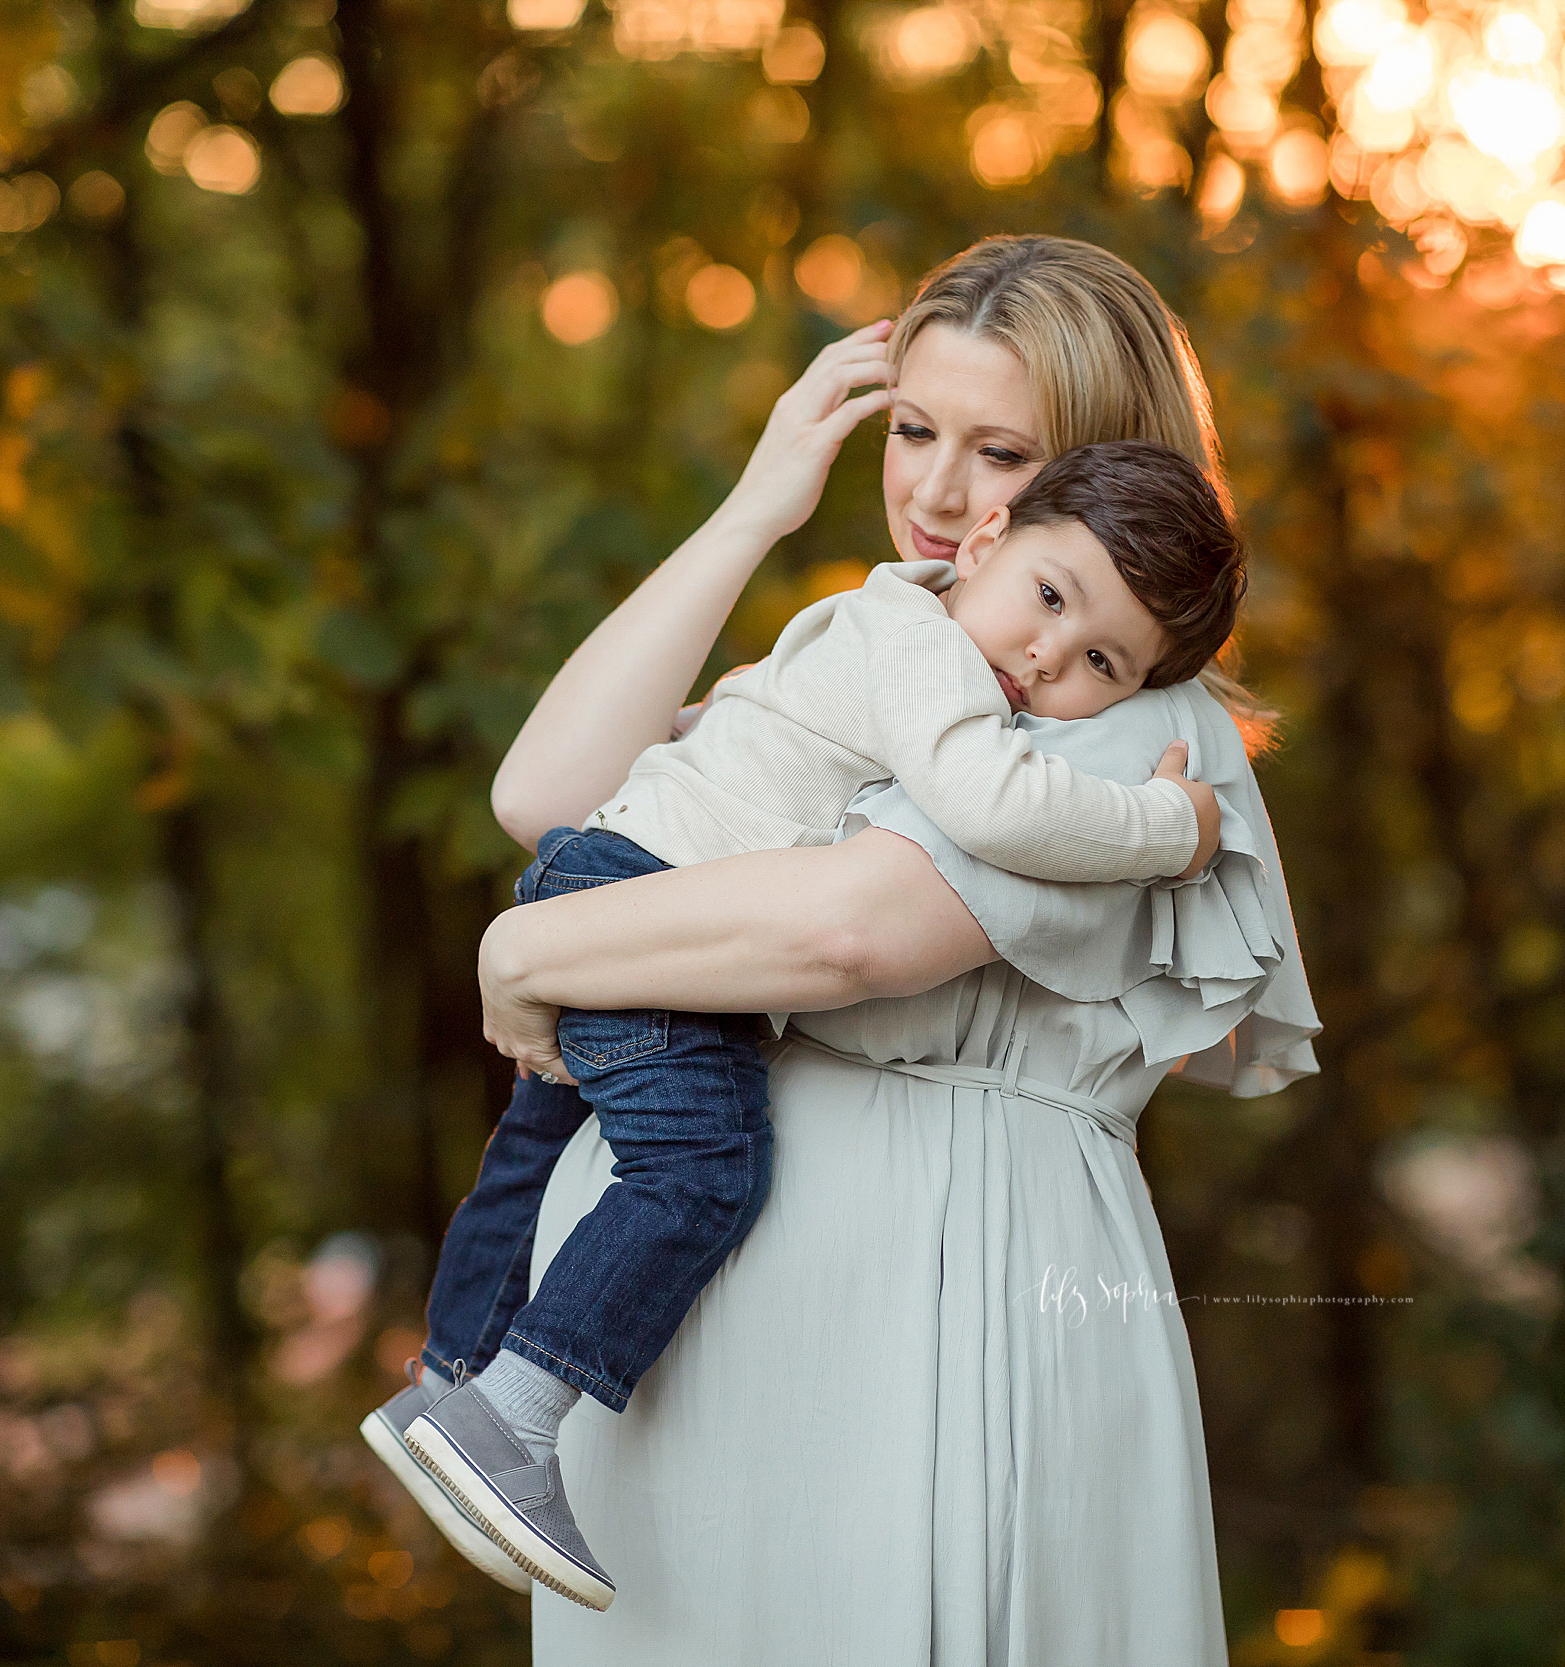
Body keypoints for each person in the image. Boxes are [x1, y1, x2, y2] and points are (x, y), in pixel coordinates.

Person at [432, 234, 1319, 1662]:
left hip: (937, 1288)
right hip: (694, 1337)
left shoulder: (1118, 709)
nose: (938, 491)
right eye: (915, 431)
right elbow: (547, 794)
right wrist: (753, 512)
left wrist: (539, 947)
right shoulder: (892, 662)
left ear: (1110, 478)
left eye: (1002, 451)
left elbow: (856, 931)